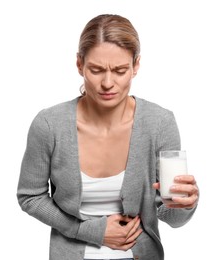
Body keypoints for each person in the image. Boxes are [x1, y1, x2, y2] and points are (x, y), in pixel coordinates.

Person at [17, 14, 199, 260]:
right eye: (96, 70)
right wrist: (87, 230)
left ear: (135, 66)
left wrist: (184, 205)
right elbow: (30, 196)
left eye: (120, 70)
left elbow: (170, 216)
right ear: (79, 64)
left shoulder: (160, 123)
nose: (107, 83)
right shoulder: (49, 124)